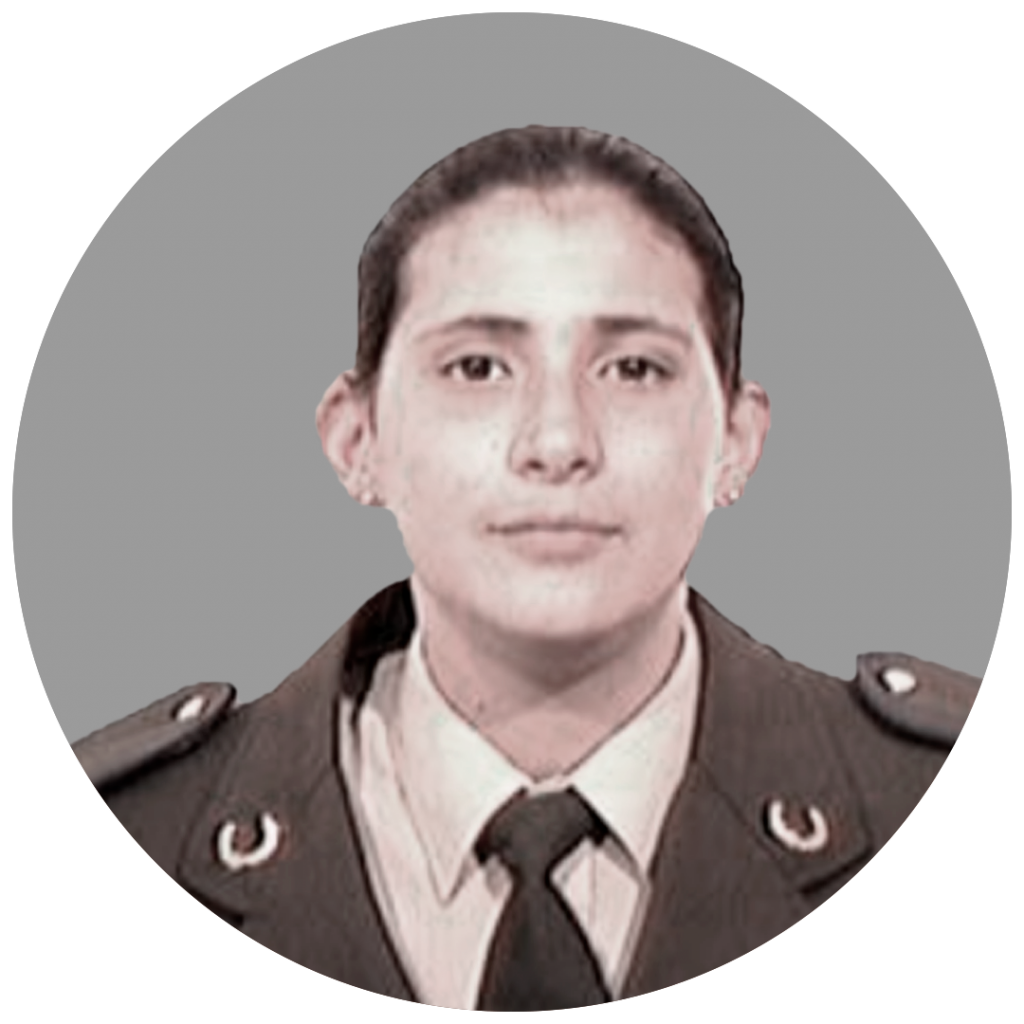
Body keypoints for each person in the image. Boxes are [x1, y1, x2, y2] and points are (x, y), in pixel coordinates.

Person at [71, 125, 980, 1010]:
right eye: (477, 367)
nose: (557, 441)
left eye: (633, 368)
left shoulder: (912, 789)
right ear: (358, 440)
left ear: (737, 441)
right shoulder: (147, 826)